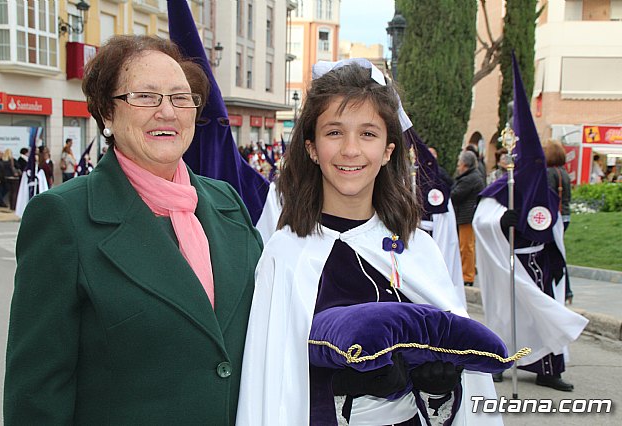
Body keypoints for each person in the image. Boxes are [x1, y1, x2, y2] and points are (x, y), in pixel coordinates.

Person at [4, 35, 263, 425]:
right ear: (107, 113)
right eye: (145, 96)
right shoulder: (63, 218)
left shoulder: (227, 203)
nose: (167, 112)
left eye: (181, 97)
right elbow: (36, 394)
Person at [237, 60, 500, 426]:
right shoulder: (285, 253)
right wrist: (337, 381)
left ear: (389, 150)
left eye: (368, 134)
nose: (350, 150)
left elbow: (461, 396)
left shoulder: (417, 249)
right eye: (334, 133)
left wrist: (437, 389)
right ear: (312, 148)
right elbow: (272, 386)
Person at [473, 56, 587, 391]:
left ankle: (549, 369)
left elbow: (552, 225)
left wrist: (556, 256)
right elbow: (483, 218)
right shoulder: (503, 183)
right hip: (509, 262)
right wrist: (499, 221)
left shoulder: (543, 185)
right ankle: (501, 360)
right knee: (507, 315)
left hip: (539, 260)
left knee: (542, 314)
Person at [543, 139, 573, 303]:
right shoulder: (564, 172)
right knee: (559, 251)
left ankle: (564, 287)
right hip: (565, 215)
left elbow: (548, 197)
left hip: (554, 217)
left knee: (555, 253)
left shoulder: (549, 173)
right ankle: (567, 290)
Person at [451, 150, 485, 286]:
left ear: (465, 164)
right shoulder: (471, 176)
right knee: (465, 246)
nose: (458, 167)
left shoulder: (470, 179)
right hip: (465, 215)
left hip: (468, 216)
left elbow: (455, 194)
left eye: (459, 164)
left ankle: (467, 276)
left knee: (467, 247)